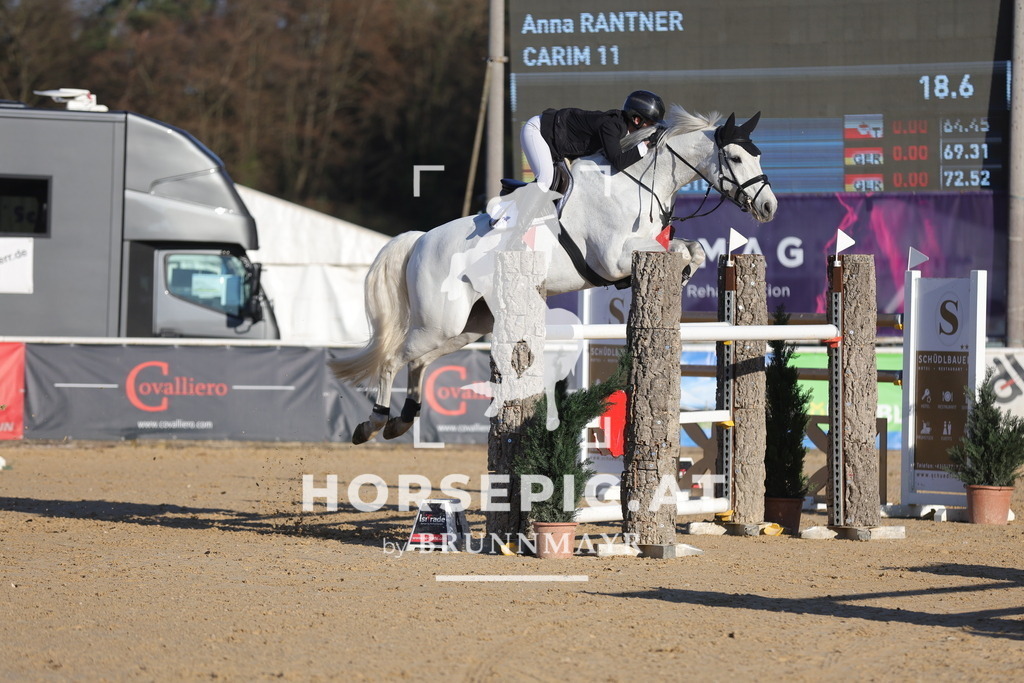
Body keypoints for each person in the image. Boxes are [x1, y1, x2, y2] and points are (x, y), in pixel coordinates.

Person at [520, 90, 666, 192]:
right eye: (651, 124)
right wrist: (646, 144)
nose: (652, 129)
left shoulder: (622, 130)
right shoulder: (612, 126)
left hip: (554, 140)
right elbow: (619, 162)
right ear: (637, 119)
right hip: (538, 131)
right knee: (545, 182)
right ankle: (506, 220)